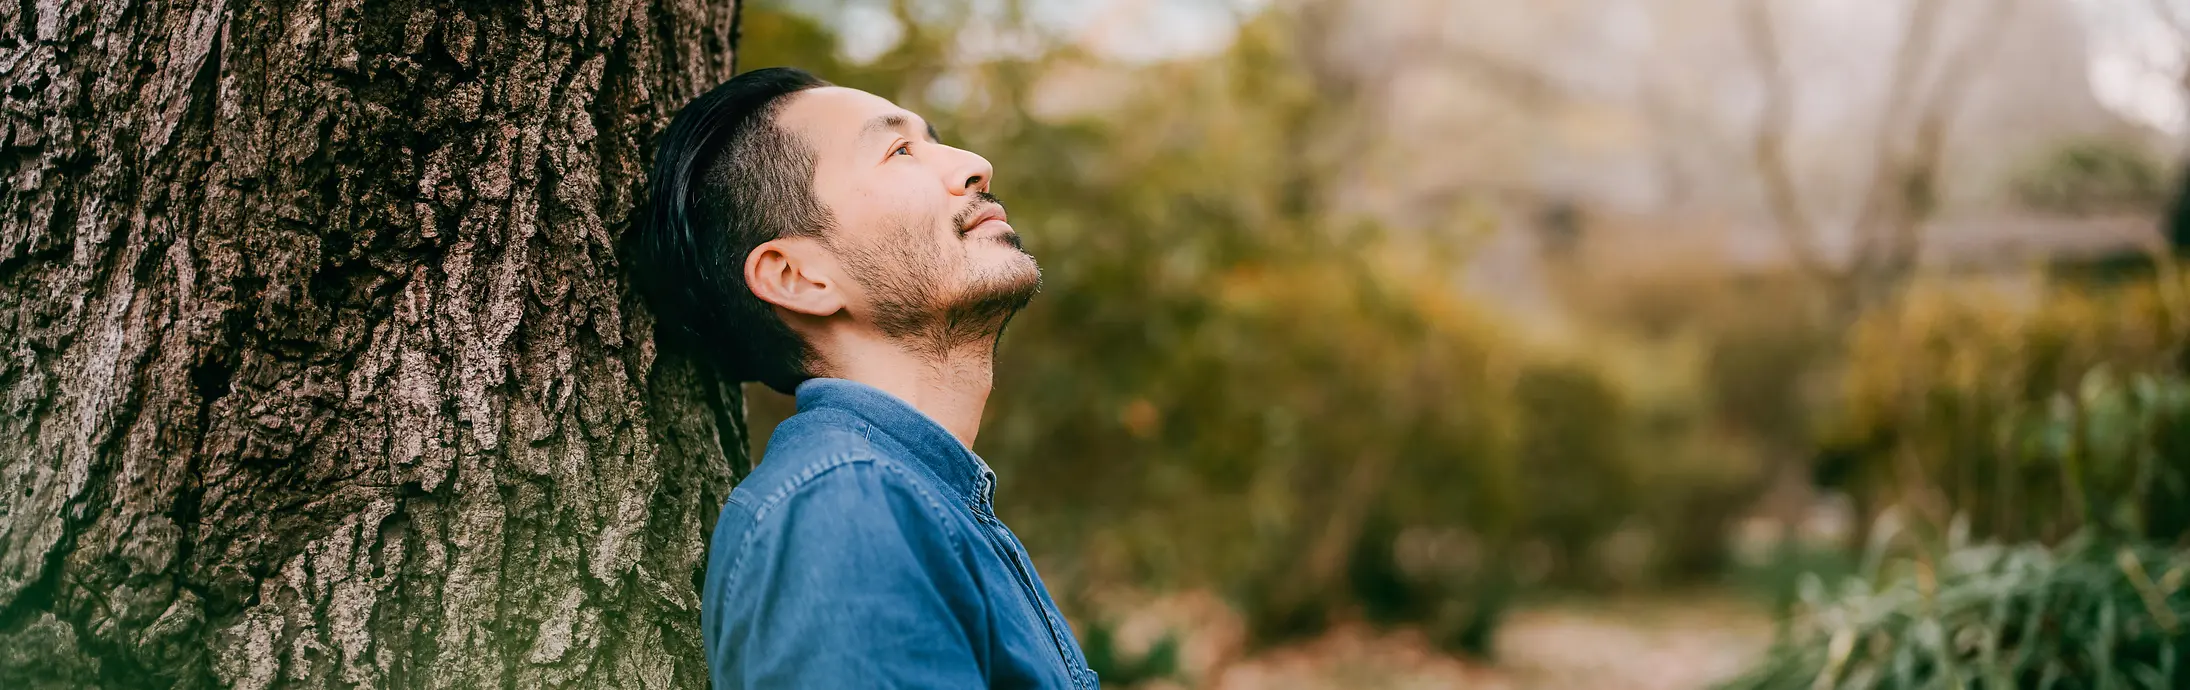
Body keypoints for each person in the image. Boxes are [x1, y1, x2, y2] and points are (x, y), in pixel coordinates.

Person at [633, 67, 1098, 689]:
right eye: (900, 150)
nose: (974, 164)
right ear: (798, 278)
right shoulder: (845, 510)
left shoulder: (918, 500)